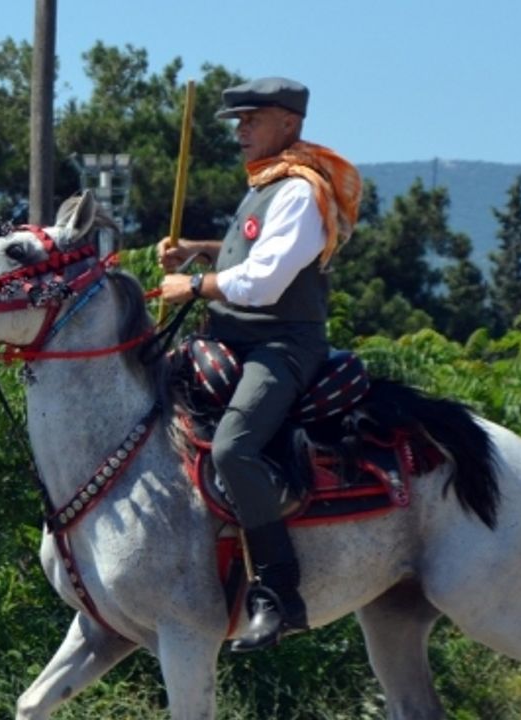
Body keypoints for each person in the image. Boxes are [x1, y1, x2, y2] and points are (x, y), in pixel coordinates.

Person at [157, 76, 361, 652]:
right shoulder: (265, 185)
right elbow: (251, 254)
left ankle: (277, 594)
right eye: (238, 121)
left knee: (232, 448)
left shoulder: (299, 190)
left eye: (253, 119)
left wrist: (194, 284)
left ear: (289, 124)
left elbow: (266, 283)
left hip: (279, 345)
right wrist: (198, 250)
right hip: (230, 334)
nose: (241, 130)